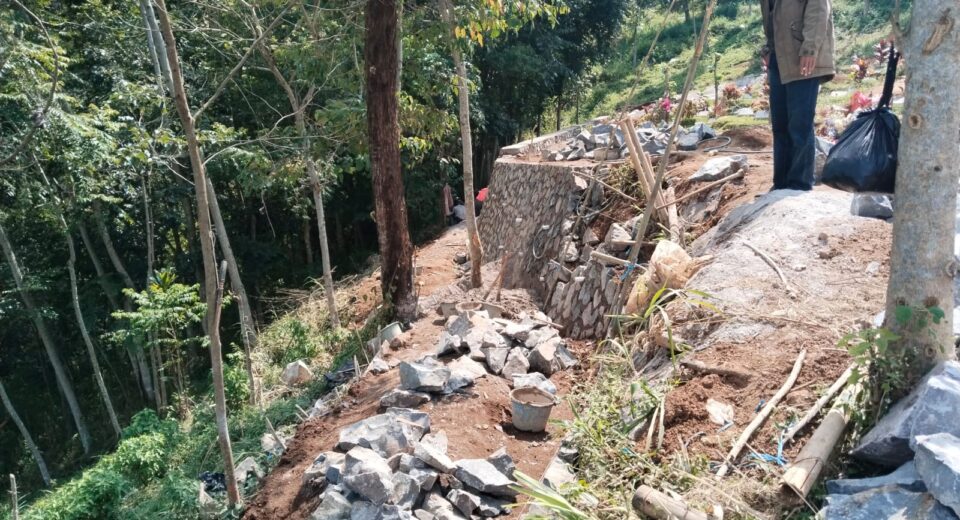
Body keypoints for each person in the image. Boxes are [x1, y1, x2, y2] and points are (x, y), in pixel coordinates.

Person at [760, 0, 835, 191]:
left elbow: (818, 11)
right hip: (779, 58)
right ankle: (781, 183)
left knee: (799, 125)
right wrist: (768, 49)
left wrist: (810, 49)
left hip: (802, 57)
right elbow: (771, 18)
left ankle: (799, 183)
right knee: (780, 125)